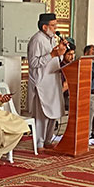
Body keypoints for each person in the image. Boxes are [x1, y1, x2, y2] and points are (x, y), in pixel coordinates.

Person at [27, 13, 66, 149]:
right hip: (41, 83)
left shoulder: (51, 39)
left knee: (53, 113)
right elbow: (33, 63)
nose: (56, 28)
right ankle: (39, 143)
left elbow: (54, 59)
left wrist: (60, 52)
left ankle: (48, 140)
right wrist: (52, 54)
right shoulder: (37, 40)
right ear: (45, 27)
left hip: (53, 82)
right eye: (53, 25)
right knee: (42, 115)